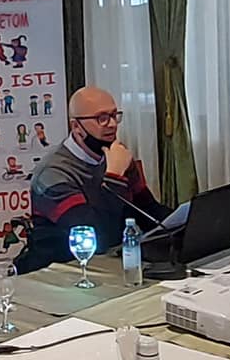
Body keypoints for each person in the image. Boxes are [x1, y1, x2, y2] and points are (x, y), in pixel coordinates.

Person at [18, 86, 170, 273]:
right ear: (76, 126)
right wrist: (114, 177)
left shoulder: (117, 157)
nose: (112, 124)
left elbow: (148, 211)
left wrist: (186, 223)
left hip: (113, 262)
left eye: (114, 115)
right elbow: (95, 235)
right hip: (63, 269)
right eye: (102, 118)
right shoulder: (52, 174)